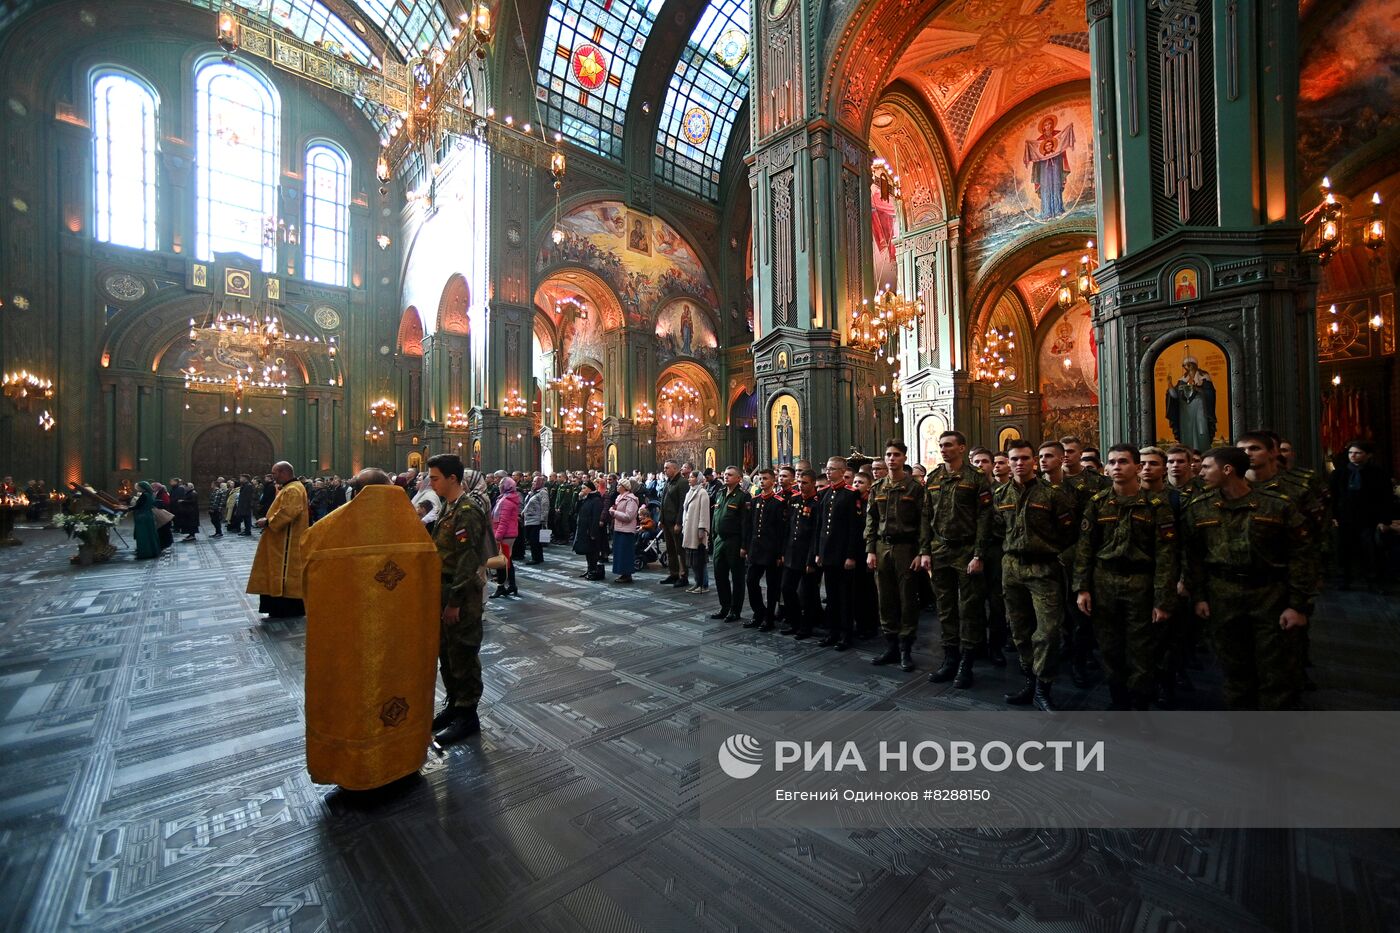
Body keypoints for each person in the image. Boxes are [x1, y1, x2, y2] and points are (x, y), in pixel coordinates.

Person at [300, 468, 441, 789]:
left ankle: (354, 764)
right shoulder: (413, 531)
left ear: (358, 492)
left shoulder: (328, 530)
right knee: (402, 686)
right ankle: (404, 755)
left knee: (356, 696)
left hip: (350, 639)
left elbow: (306, 574)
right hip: (405, 638)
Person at [1183, 446, 1315, 709]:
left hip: (1269, 594)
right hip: (1223, 594)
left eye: (1207, 467)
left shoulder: (1277, 505)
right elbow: (1193, 556)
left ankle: (1274, 739)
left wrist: (1298, 605)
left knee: (1275, 672)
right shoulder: (1200, 507)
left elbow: (1302, 557)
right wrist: (1198, 596)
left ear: (1227, 469)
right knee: (1234, 670)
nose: (1200, 471)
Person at [1072, 445, 1179, 711]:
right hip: (1104, 581)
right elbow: (1085, 549)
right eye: (1112, 462)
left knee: (1141, 650)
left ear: (1137, 467)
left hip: (1141, 583)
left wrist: (1163, 599)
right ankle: (1118, 700)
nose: (1116, 467)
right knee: (1109, 647)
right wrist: (1082, 588)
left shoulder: (1156, 506)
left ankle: (1140, 704)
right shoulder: (1097, 503)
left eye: (1123, 462)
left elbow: (1166, 556)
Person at [997, 439, 1078, 711]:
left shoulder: (1053, 494)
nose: (1019, 463)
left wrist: (1046, 549)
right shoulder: (1000, 495)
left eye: (1024, 458)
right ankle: (1029, 681)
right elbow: (996, 530)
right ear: (1008, 462)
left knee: (1047, 631)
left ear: (1034, 461)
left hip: (1044, 568)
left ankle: (1044, 687)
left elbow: (1068, 531)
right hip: (1011, 567)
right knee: (1019, 630)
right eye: (1014, 459)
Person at [920, 431, 993, 687]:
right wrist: (925, 551)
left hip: (967, 551)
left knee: (969, 609)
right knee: (946, 608)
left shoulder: (976, 478)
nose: (943, 449)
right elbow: (926, 517)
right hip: (940, 550)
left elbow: (985, 518)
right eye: (941, 445)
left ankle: (967, 663)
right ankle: (950, 659)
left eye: (949, 445)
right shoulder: (934, 478)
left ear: (962, 448)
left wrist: (978, 554)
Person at [427, 457, 489, 744]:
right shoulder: (448, 508)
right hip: (443, 589)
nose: (431, 483)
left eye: (436, 478)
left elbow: (467, 561)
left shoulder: (467, 511)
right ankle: (453, 705)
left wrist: (454, 602)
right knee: (447, 653)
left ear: (453, 478)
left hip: (460, 593)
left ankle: (467, 715)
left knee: (463, 652)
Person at [867, 439, 926, 669]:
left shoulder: (915, 488)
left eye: (897, 455)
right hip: (882, 547)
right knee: (885, 597)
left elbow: (923, 522)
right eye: (889, 455)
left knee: (907, 599)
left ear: (904, 458)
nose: (892, 459)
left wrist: (921, 552)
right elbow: (871, 521)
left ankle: (905, 648)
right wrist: (870, 550)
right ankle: (890, 645)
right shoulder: (877, 487)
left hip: (906, 547)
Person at [245, 461, 308, 619]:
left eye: (274, 473)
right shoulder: (289, 487)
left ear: (283, 472)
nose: (273, 477)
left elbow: (288, 512)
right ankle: (278, 607)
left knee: (283, 573)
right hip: (279, 540)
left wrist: (268, 521)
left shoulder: (293, 489)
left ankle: (285, 609)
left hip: (286, 542)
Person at [1329, 440, 1393, 590]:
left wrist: (1385, 520)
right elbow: (1334, 496)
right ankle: (1343, 579)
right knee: (1344, 549)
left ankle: (1373, 580)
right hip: (1345, 517)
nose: (1353, 456)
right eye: (1351, 453)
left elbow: (1386, 497)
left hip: (1369, 518)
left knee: (1370, 550)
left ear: (1368, 455)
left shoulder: (1378, 473)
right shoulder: (1339, 473)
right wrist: (1333, 516)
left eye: (1357, 453)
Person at [744, 468, 787, 631]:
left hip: (771, 551)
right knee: (751, 581)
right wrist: (746, 546)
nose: (762, 481)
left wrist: (780, 553)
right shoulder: (755, 501)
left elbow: (781, 531)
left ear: (773, 481)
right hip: (756, 549)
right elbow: (750, 526)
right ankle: (759, 612)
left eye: (765, 479)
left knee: (772, 586)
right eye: (760, 479)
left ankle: (769, 618)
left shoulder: (779, 502)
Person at [780, 469, 822, 639]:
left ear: (813, 483)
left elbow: (816, 534)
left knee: (808, 594)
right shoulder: (794, 500)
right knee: (787, 589)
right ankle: (794, 621)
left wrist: (811, 559)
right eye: (799, 482)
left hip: (807, 555)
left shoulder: (818, 503)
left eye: (804, 483)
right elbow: (788, 529)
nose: (801, 485)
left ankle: (806, 626)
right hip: (792, 552)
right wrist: (783, 552)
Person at [710, 466, 751, 621]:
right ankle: (724, 607)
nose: (726, 477)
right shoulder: (720, 493)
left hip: (735, 541)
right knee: (719, 575)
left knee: (737, 577)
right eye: (725, 474)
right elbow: (716, 516)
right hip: (720, 540)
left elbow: (745, 523)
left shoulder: (743, 497)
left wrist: (744, 546)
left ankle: (735, 610)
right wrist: (713, 537)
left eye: (730, 475)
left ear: (739, 478)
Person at [491, 476, 521, 598]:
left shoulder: (506, 501)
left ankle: (501, 586)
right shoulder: (504, 499)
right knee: (507, 560)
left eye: (501, 484)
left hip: (505, 535)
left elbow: (503, 522)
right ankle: (512, 585)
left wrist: (497, 537)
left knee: (501, 562)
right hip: (506, 534)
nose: (498, 486)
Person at [658, 460, 687, 586]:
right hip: (666, 522)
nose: (664, 470)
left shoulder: (682, 483)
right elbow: (663, 501)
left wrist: (679, 523)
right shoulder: (668, 482)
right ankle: (673, 573)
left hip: (675, 522)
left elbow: (682, 505)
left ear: (675, 468)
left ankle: (683, 575)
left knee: (679, 549)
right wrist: (661, 519)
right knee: (670, 549)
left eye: (667, 468)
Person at [682, 468, 711, 593]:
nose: (689, 479)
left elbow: (704, 512)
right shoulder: (690, 492)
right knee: (693, 560)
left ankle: (703, 584)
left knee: (700, 559)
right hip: (689, 529)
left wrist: (702, 528)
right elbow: (686, 510)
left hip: (697, 530)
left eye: (692, 477)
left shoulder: (702, 493)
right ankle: (696, 582)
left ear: (698, 479)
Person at [609, 478, 640, 584]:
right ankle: (622, 572)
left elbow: (629, 516)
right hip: (619, 528)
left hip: (626, 529)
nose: (617, 486)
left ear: (624, 487)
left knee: (625, 552)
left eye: (619, 485)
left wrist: (614, 513)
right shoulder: (619, 497)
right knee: (619, 552)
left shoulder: (631, 499)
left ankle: (627, 574)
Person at [573, 481, 606, 580]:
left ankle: (593, 570)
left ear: (590, 489)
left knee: (593, 552)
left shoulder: (596, 500)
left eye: (584, 488)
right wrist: (579, 499)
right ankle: (589, 569)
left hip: (591, 530)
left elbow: (596, 517)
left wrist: (593, 532)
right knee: (587, 551)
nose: (582, 490)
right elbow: (576, 509)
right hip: (583, 528)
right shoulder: (585, 499)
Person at [522, 476, 550, 565]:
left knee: (535, 541)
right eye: (533, 481)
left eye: (535, 481)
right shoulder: (533, 492)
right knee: (531, 540)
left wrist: (543, 520)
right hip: (529, 519)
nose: (533, 483)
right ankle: (537, 557)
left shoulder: (543, 493)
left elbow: (545, 507)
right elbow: (527, 504)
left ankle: (537, 558)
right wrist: (522, 513)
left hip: (536, 520)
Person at [130, 481, 160, 559]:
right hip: (148, 515)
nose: (137, 488)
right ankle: (153, 551)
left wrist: (127, 508)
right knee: (150, 534)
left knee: (143, 536)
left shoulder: (144, 495)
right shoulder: (150, 494)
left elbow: (138, 506)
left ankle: (145, 553)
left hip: (142, 516)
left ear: (142, 488)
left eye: (139, 487)